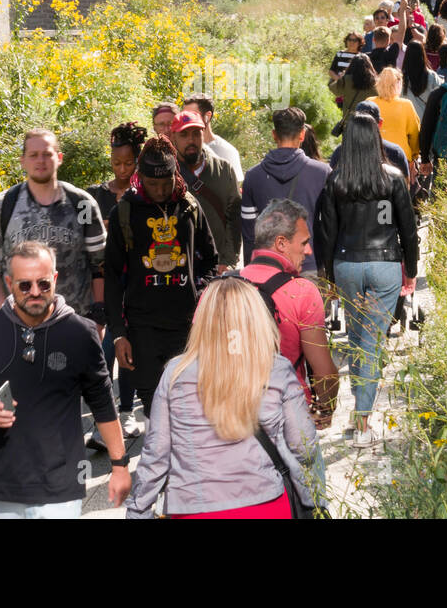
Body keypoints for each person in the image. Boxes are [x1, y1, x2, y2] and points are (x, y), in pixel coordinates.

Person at [0, 241, 130, 517]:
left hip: (61, 487)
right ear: (9, 283)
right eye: (24, 285)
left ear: (55, 279)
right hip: (3, 486)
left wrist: (119, 465)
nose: (35, 292)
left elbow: (102, 403)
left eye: (43, 284)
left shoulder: (81, 333)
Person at [125, 277, 325, 518]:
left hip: (193, 507)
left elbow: (156, 454)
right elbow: (303, 447)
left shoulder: (175, 372)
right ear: (257, 318)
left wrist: (138, 510)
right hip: (265, 503)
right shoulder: (276, 368)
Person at [314, 113, 419, 447]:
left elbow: (325, 233)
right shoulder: (393, 179)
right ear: (376, 137)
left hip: (347, 264)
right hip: (385, 264)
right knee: (372, 341)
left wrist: (327, 276)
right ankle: (361, 422)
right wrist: (412, 270)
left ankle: (358, 413)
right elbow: (407, 229)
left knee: (358, 338)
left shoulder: (336, 181)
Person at [104, 136, 221, 417]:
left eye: (165, 183)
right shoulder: (125, 212)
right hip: (142, 331)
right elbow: (110, 276)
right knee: (155, 408)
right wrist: (119, 335)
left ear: (175, 175)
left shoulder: (189, 207)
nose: (159, 190)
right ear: (139, 177)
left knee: (191, 406)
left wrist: (198, 289)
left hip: (186, 327)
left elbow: (211, 259)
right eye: (152, 184)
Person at [0, 129, 107, 321]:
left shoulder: (82, 204)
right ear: (23, 160)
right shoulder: (4, 205)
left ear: (59, 157)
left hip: (74, 322)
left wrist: (98, 317)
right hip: (20, 323)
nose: (40, 160)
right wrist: (6, 313)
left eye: (47, 154)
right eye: (33, 155)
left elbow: (100, 264)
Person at [240, 199, 339, 423]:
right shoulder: (301, 291)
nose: (309, 250)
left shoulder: (217, 289)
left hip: (227, 419)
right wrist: (325, 409)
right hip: (286, 413)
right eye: (303, 242)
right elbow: (325, 373)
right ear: (281, 243)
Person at [87, 121, 150, 441]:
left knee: (127, 350)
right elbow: (86, 242)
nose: (122, 169)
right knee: (104, 352)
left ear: (138, 161)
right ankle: (104, 420)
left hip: (137, 286)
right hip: (104, 285)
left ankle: (127, 414)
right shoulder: (95, 196)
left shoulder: (146, 195)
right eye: (116, 163)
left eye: (129, 163)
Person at [240, 107, 331, 271]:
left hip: (267, 268)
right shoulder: (322, 173)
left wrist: (251, 270)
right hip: (309, 264)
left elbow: (249, 234)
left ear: (274, 135)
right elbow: (328, 225)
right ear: (302, 134)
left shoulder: (253, 176)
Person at [170, 110, 242, 270]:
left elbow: (235, 219)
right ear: (173, 137)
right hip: (177, 266)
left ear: (204, 134)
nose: (191, 140)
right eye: (184, 135)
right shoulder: (166, 174)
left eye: (196, 133)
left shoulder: (223, 170)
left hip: (217, 266)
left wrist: (227, 261)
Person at [329, 98, 409, 179]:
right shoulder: (396, 152)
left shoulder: (340, 151)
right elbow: (406, 186)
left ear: (354, 123)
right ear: (380, 123)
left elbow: (330, 183)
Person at [183, 92, 243, 184]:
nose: (187, 121)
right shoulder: (182, 148)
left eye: (193, 115)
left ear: (207, 116)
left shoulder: (227, 151)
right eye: (185, 116)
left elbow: (234, 191)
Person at [372, 67, 420, 166]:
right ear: (398, 84)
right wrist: (414, 156)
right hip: (400, 157)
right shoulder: (406, 104)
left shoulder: (369, 102)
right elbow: (415, 135)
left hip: (374, 155)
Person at [401, 40, 442, 124]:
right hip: (428, 122)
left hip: (407, 122)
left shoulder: (401, 78)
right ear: (423, 54)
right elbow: (440, 98)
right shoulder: (432, 76)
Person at [331, 52, 378, 125]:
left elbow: (333, 89)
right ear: (369, 66)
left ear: (352, 65)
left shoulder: (346, 80)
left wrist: (341, 77)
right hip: (370, 123)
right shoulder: (375, 82)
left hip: (349, 122)